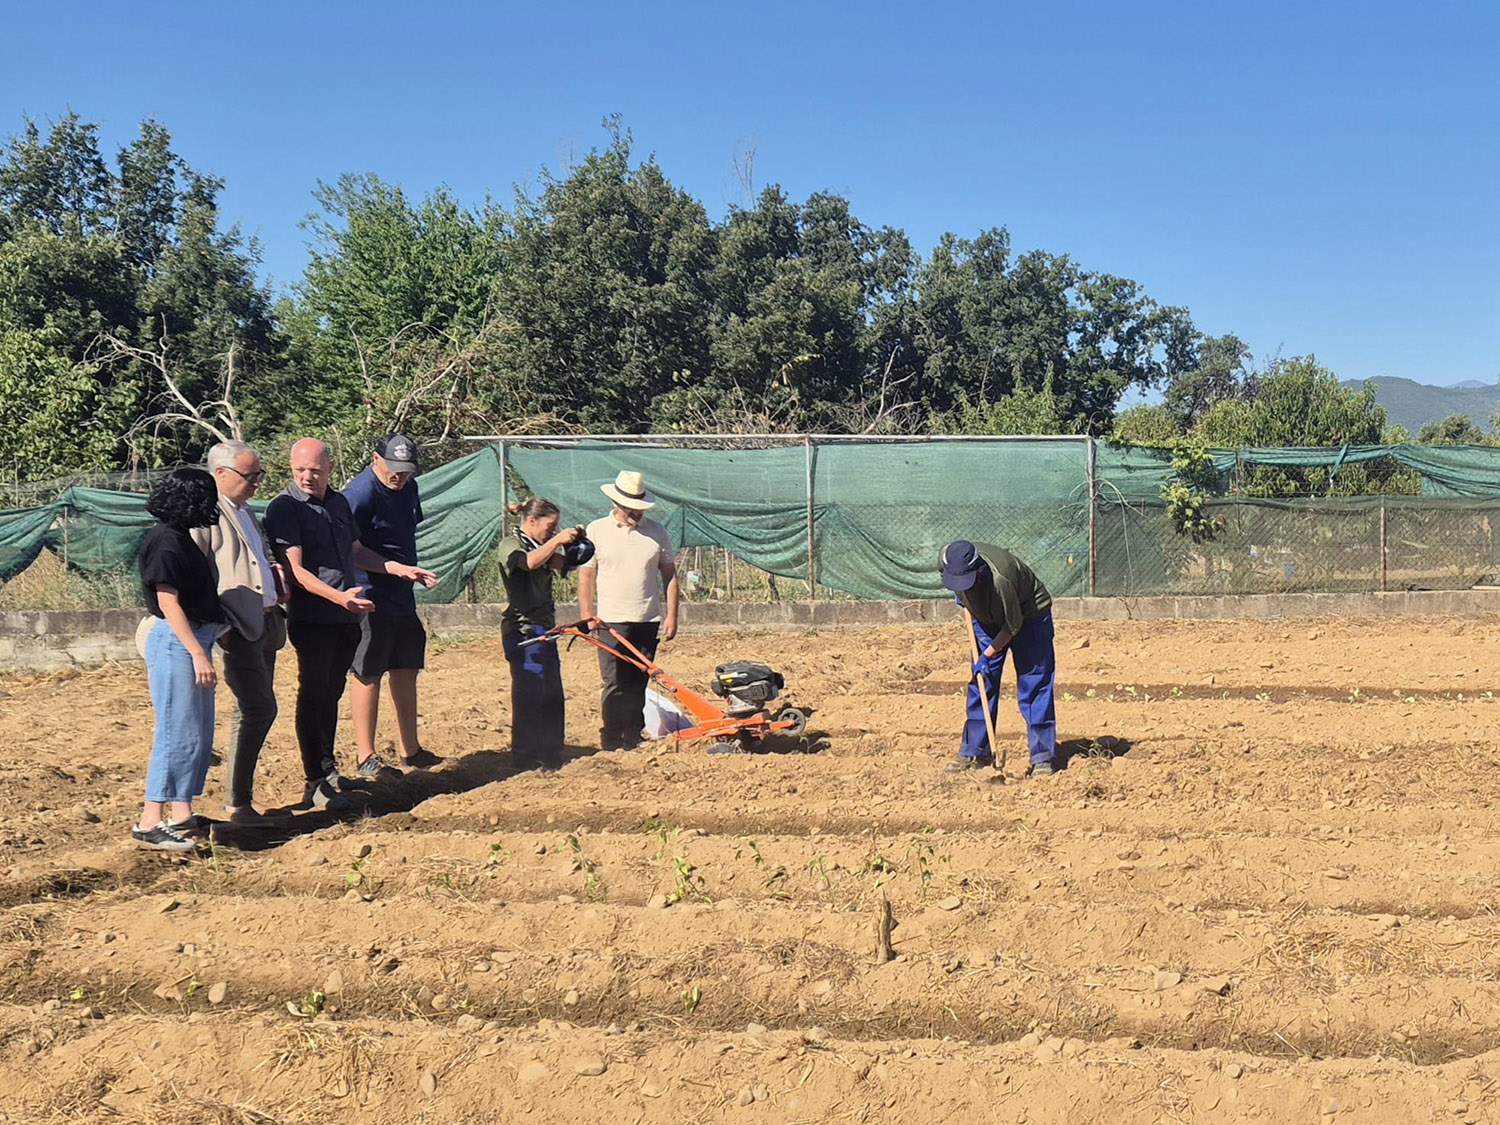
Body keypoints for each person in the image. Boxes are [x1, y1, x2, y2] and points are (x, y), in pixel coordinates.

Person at [263, 438, 433, 811]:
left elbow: (357, 552)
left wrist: (397, 568)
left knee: (331, 694)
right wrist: (339, 597)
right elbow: (297, 572)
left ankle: (328, 770)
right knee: (314, 694)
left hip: (346, 615)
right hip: (315, 618)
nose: (308, 477)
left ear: (330, 470)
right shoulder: (285, 508)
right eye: (301, 471)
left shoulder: (338, 503)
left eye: (316, 471)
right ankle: (315, 780)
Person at [194, 440, 287, 824]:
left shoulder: (244, 511)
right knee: (257, 708)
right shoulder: (206, 516)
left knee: (255, 709)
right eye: (250, 476)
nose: (256, 483)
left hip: (265, 622)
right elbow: (196, 573)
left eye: (259, 475)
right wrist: (223, 623)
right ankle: (237, 803)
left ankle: (240, 799)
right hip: (239, 628)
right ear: (221, 474)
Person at [134, 468, 224, 850]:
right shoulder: (166, 542)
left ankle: (182, 813)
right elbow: (168, 602)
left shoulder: (180, 538)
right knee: (175, 729)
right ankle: (150, 820)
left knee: (195, 730)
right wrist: (198, 652)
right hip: (177, 642)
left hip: (189, 639)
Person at [343, 434, 440, 779]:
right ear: (376, 459)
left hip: (403, 593)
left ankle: (410, 749)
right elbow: (351, 550)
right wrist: (397, 568)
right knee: (368, 671)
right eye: (394, 470)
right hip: (370, 594)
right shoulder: (359, 494)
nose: (399, 477)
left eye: (406, 471)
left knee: (406, 666)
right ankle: (365, 755)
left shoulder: (409, 488)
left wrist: (408, 573)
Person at [578, 470, 679, 751]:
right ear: (617, 503)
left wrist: (672, 616)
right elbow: (586, 577)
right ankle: (611, 737)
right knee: (614, 681)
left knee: (638, 681)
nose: (636, 512)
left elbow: (670, 575)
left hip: (647, 619)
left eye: (639, 507)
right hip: (609, 621)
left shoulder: (657, 533)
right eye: (631, 507)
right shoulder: (596, 530)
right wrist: (588, 615)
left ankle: (633, 734)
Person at [939, 540, 1058, 776]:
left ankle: (1042, 756)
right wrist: (964, 598)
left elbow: (1013, 626)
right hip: (986, 617)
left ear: (979, 572)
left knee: (1034, 681)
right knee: (982, 681)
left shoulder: (1000, 581)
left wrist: (988, 654)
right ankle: (975, 750)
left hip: (1029, 615)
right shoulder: (946, 559)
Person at [498, 498, 585, 769]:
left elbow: (565, 564)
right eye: (550, 526)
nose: (552, 531)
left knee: (551, 692)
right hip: (523, 631)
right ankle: (524, 755)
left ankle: (550, 752)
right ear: (532, 521)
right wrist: (558, 539)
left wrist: (576, 546)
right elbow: (529, 563)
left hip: (545, 628)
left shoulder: (541, 546)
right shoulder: (511, 544)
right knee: (529, 692)